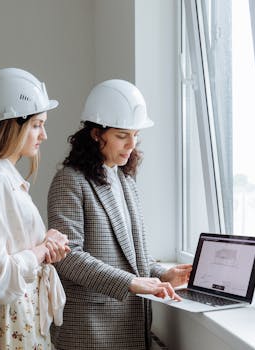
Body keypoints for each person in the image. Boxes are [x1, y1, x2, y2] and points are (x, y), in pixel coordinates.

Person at [47, 79, 192, 350]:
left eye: (135, 135)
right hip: (89, 331)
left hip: (129, 326)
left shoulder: (124, 179)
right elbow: (68, 257)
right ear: (95, 134)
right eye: (122, 136)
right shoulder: (69, 180)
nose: (131, 145)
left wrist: (163, 274)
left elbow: (133, 256)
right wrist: (132, 282)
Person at [0, 68, 71, 350]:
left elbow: (12, 251)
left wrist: (44, 244)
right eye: (36, 124)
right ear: (13, 125)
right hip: (7, 324)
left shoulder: (2, 176)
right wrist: (42, 251)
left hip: (23, 319)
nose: (44, 134)